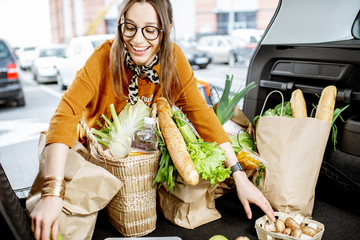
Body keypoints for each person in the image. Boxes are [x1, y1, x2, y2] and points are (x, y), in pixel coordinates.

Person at [30, 0, 275, 239]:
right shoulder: (103, 57)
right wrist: (52, 193)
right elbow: (64, 115)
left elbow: (203, 117)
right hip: (97, 162)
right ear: (120, 25)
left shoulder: (173, 60)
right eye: (130, 27)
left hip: (140, 174)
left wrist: (239, 175)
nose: (137, 39)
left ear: (166, 30)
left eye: (150, 30)